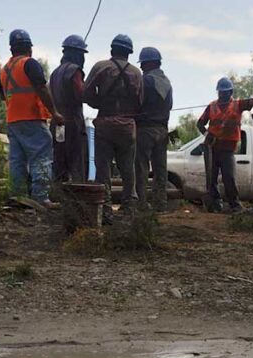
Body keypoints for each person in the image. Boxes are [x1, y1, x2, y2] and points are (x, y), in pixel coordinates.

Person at [0, 29, 64, 205]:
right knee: (41, 156)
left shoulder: (3, 70)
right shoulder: (30, 64)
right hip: (32, 117)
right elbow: (42, 88)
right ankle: (41, 197)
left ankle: (17, 196)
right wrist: (55, 113)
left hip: (13, 121)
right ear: (30, 48)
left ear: (11, 49)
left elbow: (3, 96)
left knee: (17, 160)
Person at [84, 34, 144, 220]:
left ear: (112, 49)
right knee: (128, 168)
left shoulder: (101, 67)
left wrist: (99, 103)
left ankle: (105, 209)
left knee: (103, 168)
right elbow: (140, 102)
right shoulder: (136, 73)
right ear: (129, 53)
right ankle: (130, 207)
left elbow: (86, 93)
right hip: (127, 126)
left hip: (105, 123)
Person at [197, 78, 253, 213]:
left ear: (230, 92)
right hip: (212, 148)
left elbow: (252, 102)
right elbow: (199, 124)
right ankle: (215, 204)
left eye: (224, 93)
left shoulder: (238, 105)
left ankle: (234, 205)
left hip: (227, 150)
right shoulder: (212, 106)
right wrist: (207, 134)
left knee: (229, 178)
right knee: (211, 179)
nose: (222, 95)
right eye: (220, 92)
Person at [135, 47, 174, 211]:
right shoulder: (167, 83)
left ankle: (141, 203)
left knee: (141, 168)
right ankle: (161, 204)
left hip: (145, 130)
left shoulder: (145, 81)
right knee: (160, 169)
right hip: (163, 130)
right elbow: (169, 106)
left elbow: (137, 103)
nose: (141, 67)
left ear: (149, 63)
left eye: (143, 64)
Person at [49, 35, 89, 184]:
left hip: (57, 123)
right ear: (77, 54)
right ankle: (78, 194)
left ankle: (59, 193)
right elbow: (81, 94)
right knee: (77, 161)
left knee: (60, 159)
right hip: (73, 123)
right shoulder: (75, 71)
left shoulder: (54, 73)